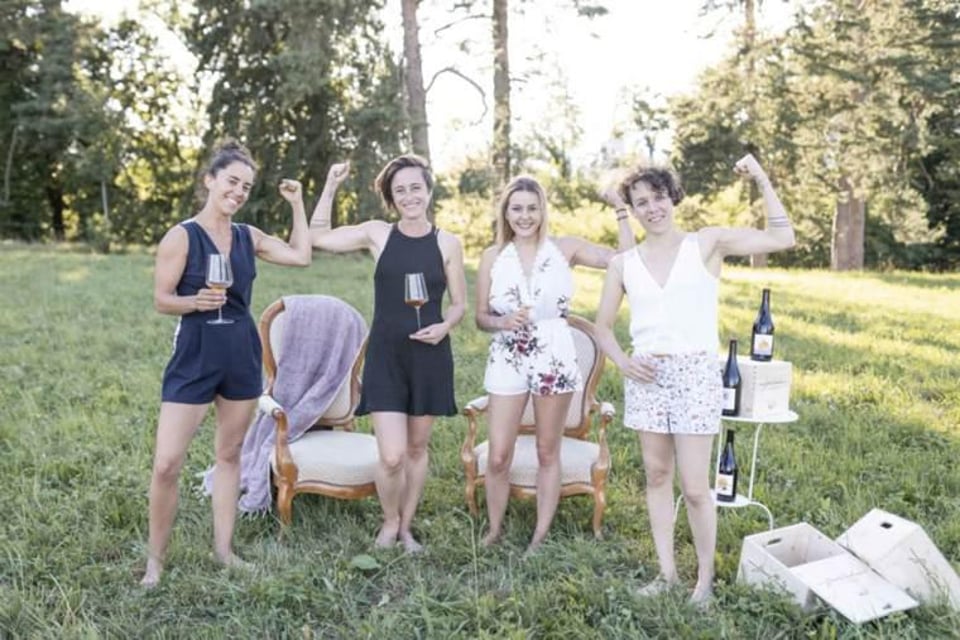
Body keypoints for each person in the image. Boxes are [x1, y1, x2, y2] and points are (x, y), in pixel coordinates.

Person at [593, 153, 795, 605]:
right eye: (641, 202)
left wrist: (761, 176)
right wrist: (623, 362)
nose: (652, 208)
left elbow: (783, 236)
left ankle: (703, 582)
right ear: (632, 209)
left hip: (696, 374)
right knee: (656, 475)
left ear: (673, 196)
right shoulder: (624, 263)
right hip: (647, 376)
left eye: (658, 197)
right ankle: (666, 574)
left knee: (696, 487)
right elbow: (602, 327)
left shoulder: (705, 243)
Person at [141, 139, 312, 587]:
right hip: (195, 354)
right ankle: (155, 562)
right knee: (167, 463)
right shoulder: (182, 236)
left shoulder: (247, 237)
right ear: (210, 181)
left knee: (229, 454)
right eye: (231, 182)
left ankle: (224, 550)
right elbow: (161, 300)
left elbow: (301, 256)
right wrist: (193, 301)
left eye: (246, 187)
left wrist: (297, 204)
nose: (238, 191)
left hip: (240, 353)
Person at [308, 155, 467, 553]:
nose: (409, 196)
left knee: (416, 449)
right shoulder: (377, 234)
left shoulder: (447, 243)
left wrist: (445, 327)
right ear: (391, 199)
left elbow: (459, 304)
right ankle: (390, 520)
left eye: (416, 187)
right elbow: (317, 236)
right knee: (392, 455)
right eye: (400, 191)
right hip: (386, 356)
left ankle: (407, 528)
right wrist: (330, 185)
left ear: (428, 191)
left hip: (430, 357)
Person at [474, 175, 633, 552]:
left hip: (554, 356)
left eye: (532, 208)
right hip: (508, 355)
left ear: (543, 211)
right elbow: (480, 317)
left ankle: (539, 536)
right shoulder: (493, 256)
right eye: (517, 208)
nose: (525, 216)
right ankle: (494, 530)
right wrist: (501, 321)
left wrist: (620, 209)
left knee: (548, 450)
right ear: (506, 212)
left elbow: (628, 262)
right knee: (498, 454)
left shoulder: (565, 248)